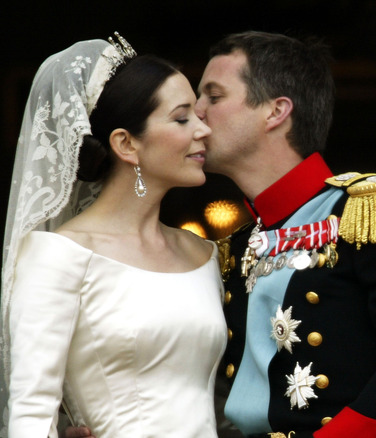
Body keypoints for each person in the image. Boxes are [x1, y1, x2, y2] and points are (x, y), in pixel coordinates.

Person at [194, 31, 376, 438]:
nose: (196, 112)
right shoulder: (236, 246)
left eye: (213, 96)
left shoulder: (373, 211)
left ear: (276, 111)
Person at [0, 35, 226, 437]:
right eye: (182, 118)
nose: (203, 129)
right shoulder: (59, 255)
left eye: (198, 115)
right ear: (126, 143)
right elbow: (31, 414)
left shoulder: (203, 253)